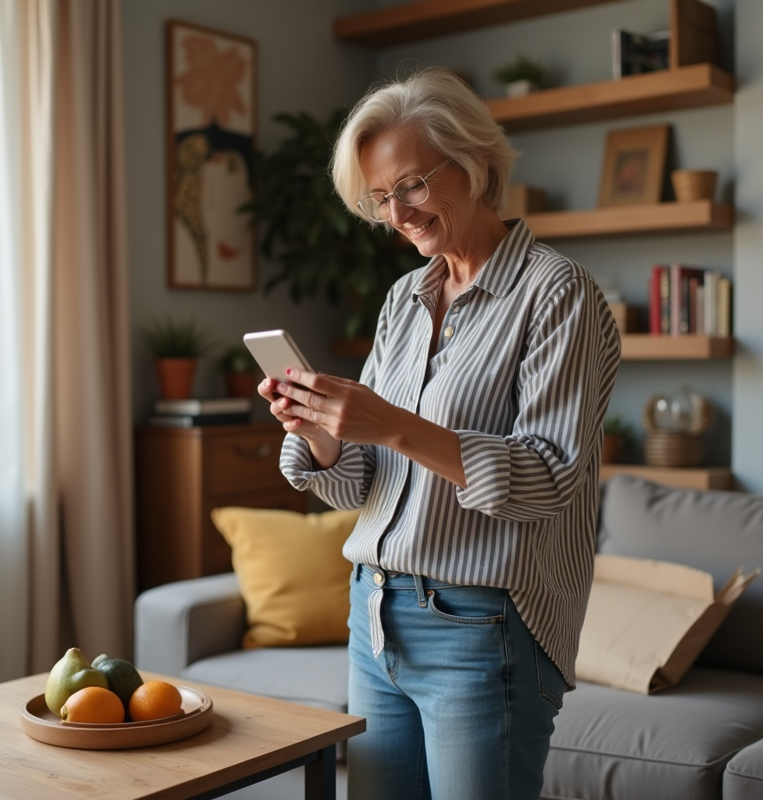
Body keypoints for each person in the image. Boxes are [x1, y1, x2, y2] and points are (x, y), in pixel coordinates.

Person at [259, 67, 621, 800]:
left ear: (476, 163)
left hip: (481, 627)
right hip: (375, 612)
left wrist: (389, 422)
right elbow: (362, 482)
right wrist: (325, 432)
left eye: (412, 186)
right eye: (381, 199)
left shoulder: (559, 294)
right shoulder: (404, 299)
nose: (398, 214)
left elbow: (549, 478)